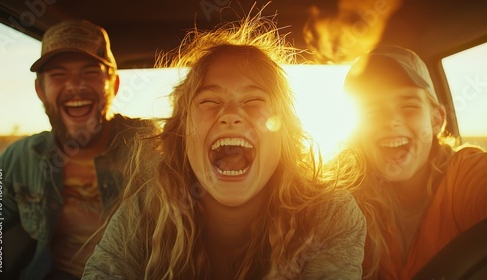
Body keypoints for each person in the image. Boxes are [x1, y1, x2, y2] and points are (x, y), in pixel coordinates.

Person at [81, 15, 366, 280]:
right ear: (182, 135)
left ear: (284, 135)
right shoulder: (144, 216)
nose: (231, 113)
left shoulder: (330, 215)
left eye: (254, 101)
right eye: (209, 102)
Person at [0, 19, 153, 280]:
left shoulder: (152, 148)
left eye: (90, 72)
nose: (75, 86)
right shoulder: (19, 159)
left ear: (114, 85)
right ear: (40, 90)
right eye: (58, 75)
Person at [337, 45, 487, 279]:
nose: (391, 121)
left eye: (409, 106)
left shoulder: (465, 172)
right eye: (373, 111)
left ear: (436, 120)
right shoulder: (345, 199)